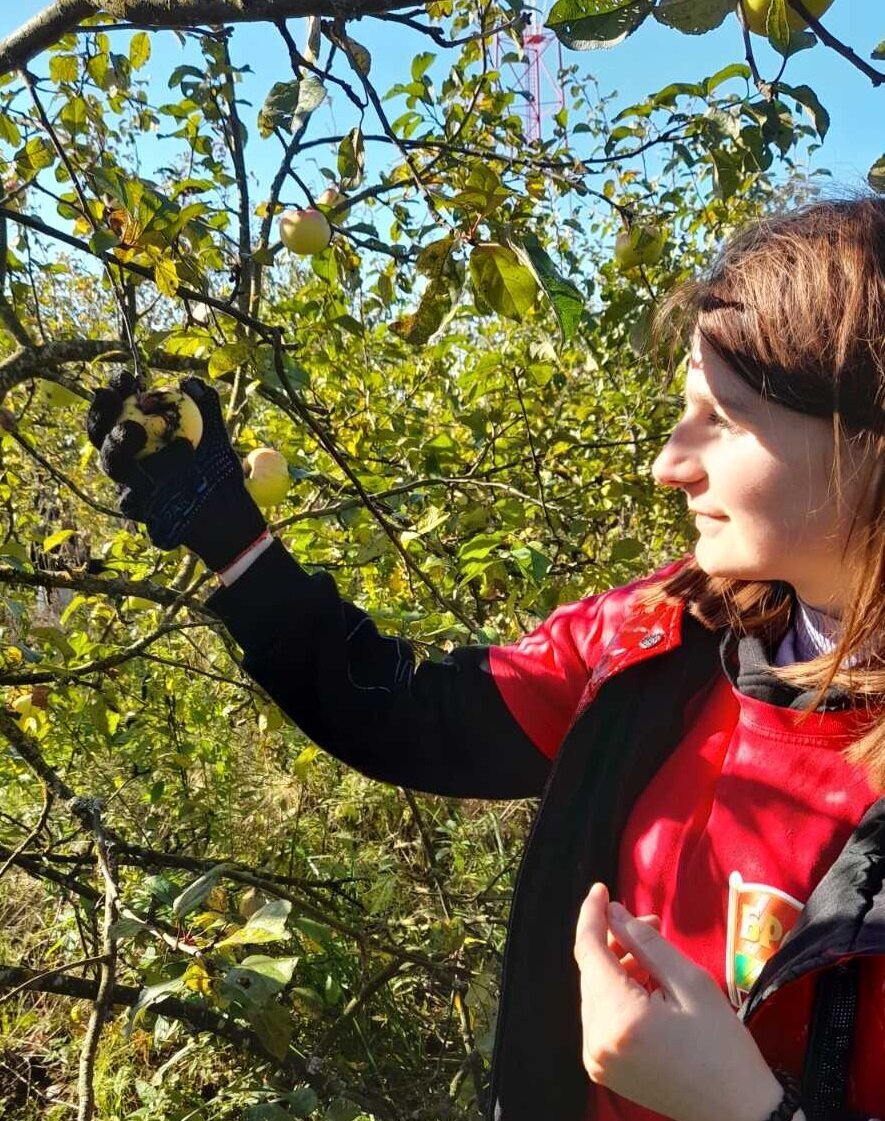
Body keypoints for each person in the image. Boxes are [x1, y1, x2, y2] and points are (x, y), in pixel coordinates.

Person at [86, 195, 885, 1121]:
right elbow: (417, 715)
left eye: (726, 418)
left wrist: (747, 1110)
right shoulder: (661, 633)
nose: (669, 462)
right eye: (683, 408)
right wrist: (236, 543)